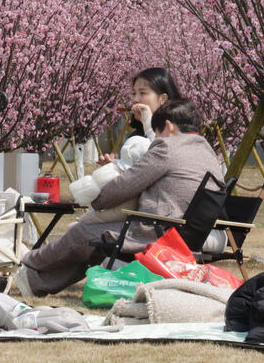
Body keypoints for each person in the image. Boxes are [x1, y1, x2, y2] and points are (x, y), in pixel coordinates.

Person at [16, 99, 222, 297]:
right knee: (94, 244)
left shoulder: (168, 147)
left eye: (158, 133)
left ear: (168, 127)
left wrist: (98, 200)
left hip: (158, 233)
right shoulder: (207, 152)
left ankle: (27, 260)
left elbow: (128, 183)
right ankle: (33, 281)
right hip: (188, 235)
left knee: (83, 234)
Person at [97, 67, 182, 166]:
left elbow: (162, 160)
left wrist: (148, 123)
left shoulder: (178, 131)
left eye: (142, 93)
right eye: (133, 93)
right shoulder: (137, 135)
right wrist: (116, 166)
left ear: (163, 99)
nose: (135, 99)